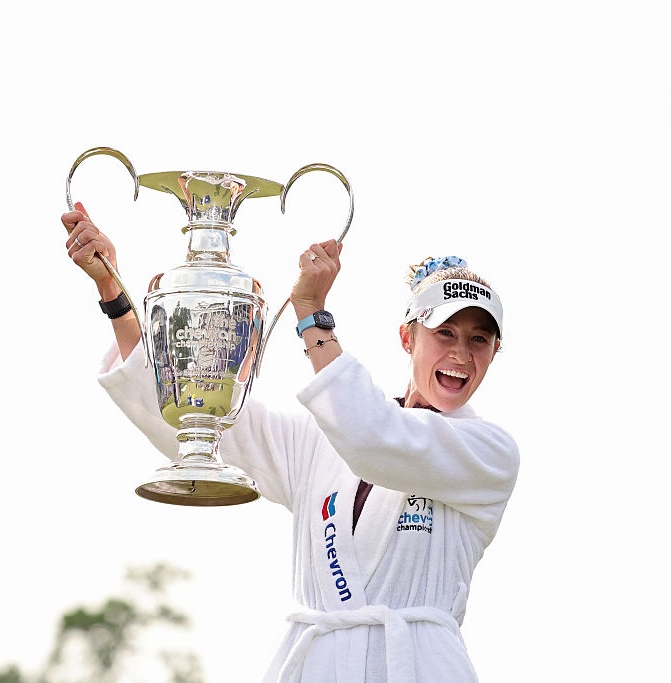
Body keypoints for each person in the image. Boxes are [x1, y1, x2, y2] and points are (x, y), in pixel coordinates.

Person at [61, 201, 520, 683]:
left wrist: (312, 316)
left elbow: (375, 437)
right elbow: (198, 420)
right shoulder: (320, 438)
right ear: (408, 337)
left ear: (494, 351)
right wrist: (112, 291)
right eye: (444, 332)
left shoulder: (490, 453)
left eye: (479, 340)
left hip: (421, 668)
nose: (460, 355)